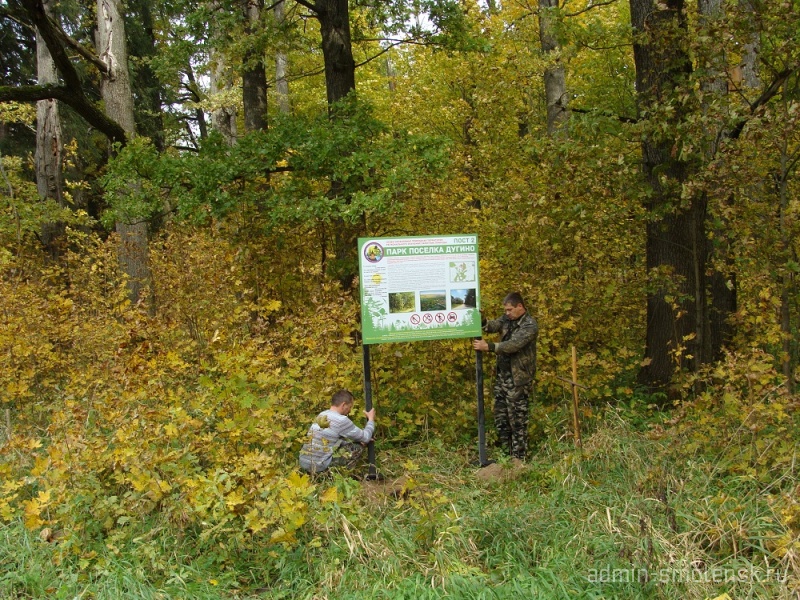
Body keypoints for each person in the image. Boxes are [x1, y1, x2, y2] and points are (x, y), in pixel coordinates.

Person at [472, 292, 538, 461]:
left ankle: (519, 459)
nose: (507, 313)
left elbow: (513, 345)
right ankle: (506, 456)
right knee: (501, 417)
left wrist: (489, 346)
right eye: (506, 310)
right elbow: (492, 326)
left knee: (517, 420)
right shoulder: (507, 319)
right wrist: (481, 319)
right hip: (503, 378)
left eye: (510, 309)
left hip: (518, 380)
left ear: (520, 307)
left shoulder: (529, 325)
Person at [299, 389, 376, 474]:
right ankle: (339, 475)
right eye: (350, 407)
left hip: (304, 463)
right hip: (318, 466)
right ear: (343, 405)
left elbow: (333, 440)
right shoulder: (341, 420)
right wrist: (371, 419)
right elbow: (366, 437)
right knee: (356, 447)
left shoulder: (322, 414)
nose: (349, 410)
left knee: (347, 443)